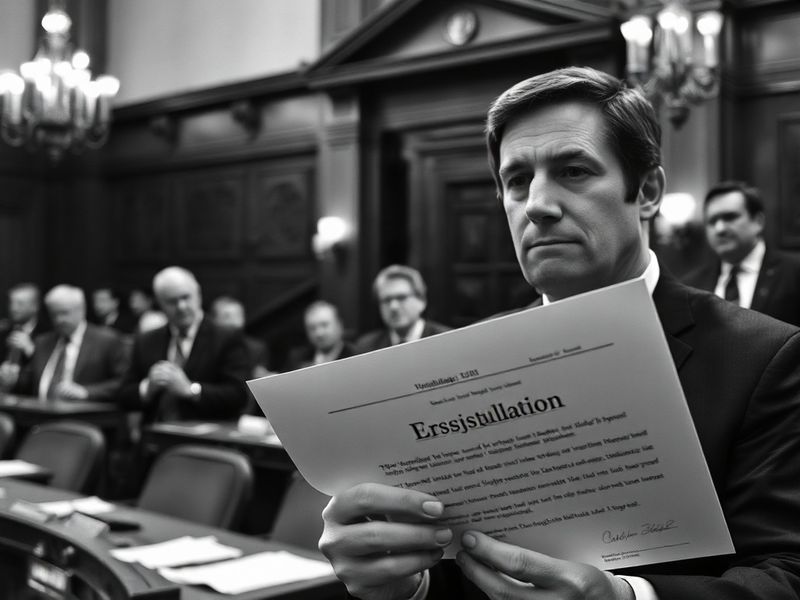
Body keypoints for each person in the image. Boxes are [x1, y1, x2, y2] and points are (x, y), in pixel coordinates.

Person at [319, 67, 800, 600]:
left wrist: (626, 597)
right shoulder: (467, 360)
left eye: (572, 171)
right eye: (517, 181)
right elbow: (461, 555)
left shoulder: (765, 356)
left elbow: (788, 574)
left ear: (646, 191)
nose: (537, 205)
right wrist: (406, 583)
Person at [118, 266, 251, 423]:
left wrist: (190, 389)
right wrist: (148, 387)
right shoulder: (147, 340)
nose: (181, 307)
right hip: (155, 437)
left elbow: (238, 396)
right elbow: (123, 396)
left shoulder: (226, 337)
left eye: (186, 297)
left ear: (198, 295)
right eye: (172, 301)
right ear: (160, 303)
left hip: (204, 438)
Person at [683, 180, 800, 326]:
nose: (720, 229)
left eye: (730, 217)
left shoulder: (794, 272)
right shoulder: (691, 285)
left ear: (758, 221)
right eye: (712, 221)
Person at [0, 285, 128, 402]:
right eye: (54, 314)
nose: (59, 320)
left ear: (81, 310)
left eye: (64, 313)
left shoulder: (106, 340)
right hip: (40, 414)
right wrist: (12, 380)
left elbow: (123, 383)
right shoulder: (43, 341)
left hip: (85, 416)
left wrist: (87, 392)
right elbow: (30, 383)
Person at [354, 265, 450, 354]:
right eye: (386, 300)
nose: (393, 307)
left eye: (401, 298)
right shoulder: (366, 347)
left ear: (422, 301)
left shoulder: (447, 340)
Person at [210, 295, 272, 379]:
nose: (234, 322)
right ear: (213, 319)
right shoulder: (206, 347)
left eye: (238, 315)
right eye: (227, 317)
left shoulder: (257, 348)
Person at [287, 300, 355, 370]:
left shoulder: (355, 356)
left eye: (324, 325)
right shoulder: (298, 360)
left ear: (339, 325)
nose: (319, 333)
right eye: (312, 328)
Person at [0, 283, 48, 368]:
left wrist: (30, 350)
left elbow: (50, 371)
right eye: (11, 302)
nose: (13, 308)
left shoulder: (47, 333)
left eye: (20, 303)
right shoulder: (3, 330)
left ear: (35, 306)